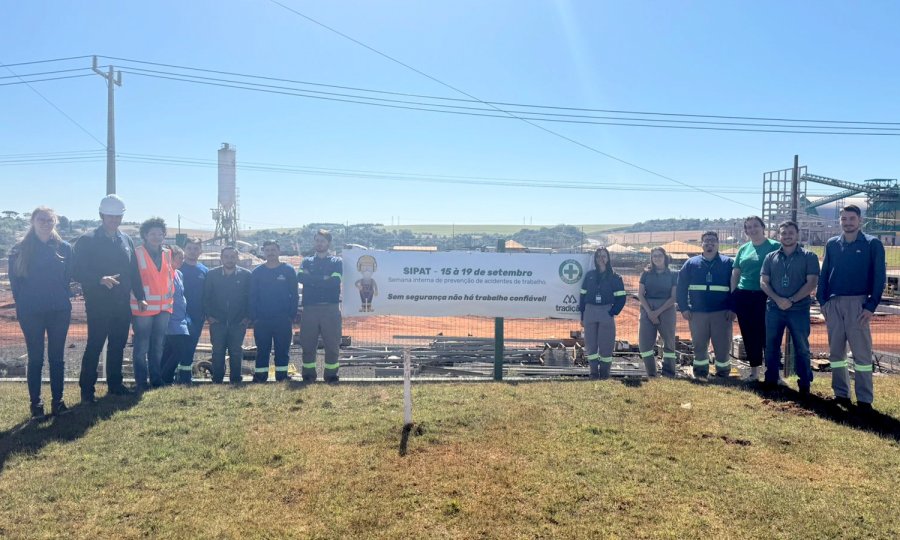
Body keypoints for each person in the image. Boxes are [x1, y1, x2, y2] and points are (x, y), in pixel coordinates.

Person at [72, 194, 145, 402]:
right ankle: (87, 390)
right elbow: (76, 271)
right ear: (101, 215)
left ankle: (115, 385)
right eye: (110, 216)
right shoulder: (87, 240)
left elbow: (133, 271)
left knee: (118, 345)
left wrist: (140, 296)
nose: (114, 220)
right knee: (95, 345)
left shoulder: (126, 240)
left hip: (122, 304)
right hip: (99, 304)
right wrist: (99, 279)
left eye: (118, 216)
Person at [816, 204, 886, 411]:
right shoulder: (832, 244)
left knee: (861, 355)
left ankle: (864, 400)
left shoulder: (872, 244)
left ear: (860, 221)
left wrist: (870, 306)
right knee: (836, 354)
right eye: (844, 219)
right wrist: (822, 301)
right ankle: (841, 394)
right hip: (834, 304)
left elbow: (879, 277)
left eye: (852, 219)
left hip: (858, 304)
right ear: (840, 221)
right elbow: (824, 273)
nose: (847, 223)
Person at [8, 207, 74, 419]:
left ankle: (58, 402)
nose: (46, 223)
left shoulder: (65, 248)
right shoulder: (19, 249)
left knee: (57, 358)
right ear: (33, 221)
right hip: (31, 312)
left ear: (55, 222)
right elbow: (15, 284)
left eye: (49, 220)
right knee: (35, 358)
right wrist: (25, 304)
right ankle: (36, 405)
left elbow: (67, 278)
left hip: (59, 311)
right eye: (41, 219)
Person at [760, 221, 819, 394]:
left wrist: (791, 300)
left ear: (797, 234)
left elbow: (812, 283)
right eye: (783, 233)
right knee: (771, 346)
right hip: (774, 308)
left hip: (799, 309)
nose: (787, 236)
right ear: (779, 235)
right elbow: (763, 282)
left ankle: (804, 383)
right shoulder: (770, 257)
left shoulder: (809, 256)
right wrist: (778, 299)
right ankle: (771, 380)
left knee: (802, 347)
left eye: (791, 233)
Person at [677, 231, 735, 379]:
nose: (710, 243)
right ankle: (701, 373)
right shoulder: (691, 263)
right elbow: (681, 287)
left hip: (722, 313)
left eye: (713, 240)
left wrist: (733, 308)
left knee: (722, 345)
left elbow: (736, 287)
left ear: (718, 243)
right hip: (697, 313)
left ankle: (723, 374)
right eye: (707, 240)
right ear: (701, 244)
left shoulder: (728, 263)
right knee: (699, 345)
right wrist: (684, 308)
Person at [731, 216, 780, 381]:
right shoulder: (743, 249)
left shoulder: (775, 246)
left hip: (766, 295)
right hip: (744, 296)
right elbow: (736, 273)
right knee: (749, 334)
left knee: (769, 335)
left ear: (763, 227)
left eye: (755, 226)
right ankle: (754, 373)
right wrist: (734, 294)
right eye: (749, 227)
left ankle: (773, 373)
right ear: (746, 231)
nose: (752, 229)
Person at [131, 217, 175, 390]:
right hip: (143, 307)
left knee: (158, 345)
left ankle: (156, 379)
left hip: (164, 307)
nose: (156, 237)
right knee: (142, 346)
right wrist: (140, 297)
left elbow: (168, 277)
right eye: (152, 234)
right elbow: (134, 278)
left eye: (160, 233)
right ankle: (141, 381)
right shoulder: (136, 253)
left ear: (164, 235)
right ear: (145, 235)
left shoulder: (167, 253)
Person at [297, 229, 343, 383]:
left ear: (328, 243)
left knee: (332, 344)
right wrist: (324, 279)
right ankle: (308, 375)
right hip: (310, 309)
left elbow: (335, 281)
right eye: (317, 240)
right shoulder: (306, 261)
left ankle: (331, 375)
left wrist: (312, 279)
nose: (319, 243)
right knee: (308, 344)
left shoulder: (337, 262)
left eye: (322, 241)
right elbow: (301, 277)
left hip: (331, 309)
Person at [249, 240, 299, 382]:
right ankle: (260, 376)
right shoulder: (257, 272)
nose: (270, 253)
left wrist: (291, 315)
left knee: (282, 350)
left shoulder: (288, 270)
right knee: (262, 350)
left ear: (279, 251)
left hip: (283, 319)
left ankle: (282, 377)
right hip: (262, 320)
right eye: (267, 250)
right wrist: (254, 317)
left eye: (273, 250)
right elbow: (252, 296)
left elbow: (294, 295)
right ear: (263, 252)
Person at [203, 246, 251, 384]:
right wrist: (209, 316)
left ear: (237, 258)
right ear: (221, 258)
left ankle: (235, 379)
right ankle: (217, 379)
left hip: (238, 322)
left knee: (236, 351)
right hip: (217, 321)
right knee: (218, 351)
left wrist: (247, 317)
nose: (229, 259)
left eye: (232, 256)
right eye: (226, 256)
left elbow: (250, 297)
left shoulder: (246, 275)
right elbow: (206, 297)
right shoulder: (212, 275)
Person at [578, 247, 627, 380]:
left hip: (606, 312)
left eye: (604, 256)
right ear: (595, 259)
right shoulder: (590, 275)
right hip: (590, 312)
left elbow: (622, 298)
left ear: (608, 258)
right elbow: (582, 296)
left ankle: (604, 375)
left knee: (606, 346)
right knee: (591, 346)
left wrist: (612, 312)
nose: (601, 258)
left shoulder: (615, 277)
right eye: (598, 256)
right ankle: (593, 374)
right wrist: (582, 315)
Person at [637, 247, 678, 377]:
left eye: (660, 255)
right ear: (651, 258)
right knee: (644, 345)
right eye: (654, 256)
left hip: (667, 309)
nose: (657, 258)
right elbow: (640, 294)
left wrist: (657, 312)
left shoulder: (673, 274)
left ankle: (669, 373)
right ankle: (652, 373)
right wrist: (650, 312)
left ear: (665, 257)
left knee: (669, 344)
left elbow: (674, 297)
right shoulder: (645, 274)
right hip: (647, 309)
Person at [161, 246, 193, 385]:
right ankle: (163, 376)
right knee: (180, 350)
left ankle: (165, 379)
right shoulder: (164, 274)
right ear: (170, 258)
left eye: (183, 258)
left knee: (169, 350)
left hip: (180, 318)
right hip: (170, 317)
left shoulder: (179, 274)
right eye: (179, 258)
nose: (182, 261)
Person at [180, 237, 209, 365]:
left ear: (200, 251)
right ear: (184, 250)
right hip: (178, 315)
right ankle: (171, 373)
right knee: (176, 346)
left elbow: (208, 294)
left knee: (191, 345)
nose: (192, 251)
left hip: (197, 315)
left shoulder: (205, 270)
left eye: (196, 248)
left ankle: (186, 373)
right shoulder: (177, 268)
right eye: (189, 248)